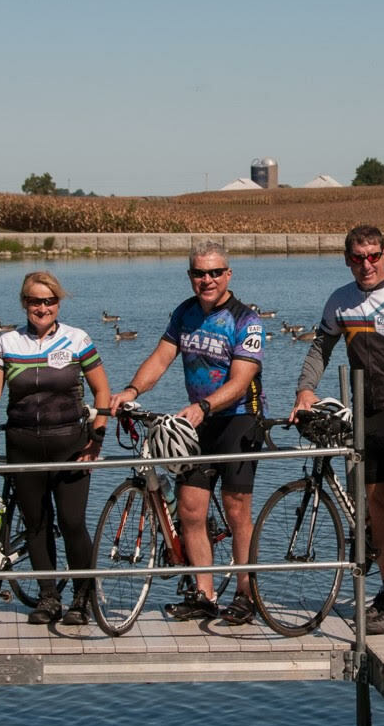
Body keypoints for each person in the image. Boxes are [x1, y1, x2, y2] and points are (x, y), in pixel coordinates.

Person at [107, 242, 267, 624]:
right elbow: (161, 357)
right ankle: (204, 594)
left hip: (240, 419)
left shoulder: (247, 320)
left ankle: (247, 594)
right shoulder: (185, 314)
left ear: (228, 274)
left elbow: (242, 381)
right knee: (192, 509)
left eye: (214, 272)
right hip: (198, 423)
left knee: (235, 509)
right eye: (199, 273)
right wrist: (131, 391)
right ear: (190, 276)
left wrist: (205, 406)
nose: (206, 280)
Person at [294, 225, 384, 635]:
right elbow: (321, 347)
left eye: (373, 256)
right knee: (374, 508)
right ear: (347, 260)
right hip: (366, 411)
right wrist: (306, 389)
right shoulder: (341, 301)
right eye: (358, 258)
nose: (366, 265)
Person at [0, 271, 110, 626]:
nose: (42, 308)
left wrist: (97, 437)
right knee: (36, 524)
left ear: (58, 303)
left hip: (70, 445)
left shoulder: (77, 339)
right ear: (24, 303)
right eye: (34, 301)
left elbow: (102, 391)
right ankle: (48, 597)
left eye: (49, 301)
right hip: (23, 444)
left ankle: (82, 599)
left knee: (72, 523)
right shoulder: (7, 342)